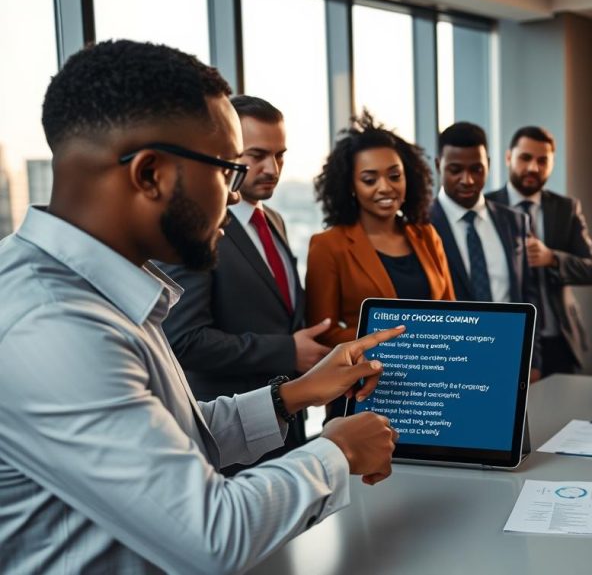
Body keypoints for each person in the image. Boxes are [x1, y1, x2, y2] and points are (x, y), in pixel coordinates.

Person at [0, 40, 401, 574]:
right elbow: (214, 536)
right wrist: (338, 451)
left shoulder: (94, 289)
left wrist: (297, 393)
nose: (236, 195)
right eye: (227, 171)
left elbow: (175, 432)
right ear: (151, 174)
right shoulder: (51, 324)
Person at [160, 96, 329, 462]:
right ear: (228, 151)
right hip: (228, 439)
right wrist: (287, 351)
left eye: (280, 155)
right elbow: (184, 339)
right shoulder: (199, 227)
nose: (272, 168)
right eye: (257, 155)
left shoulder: (275, 222)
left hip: (288, 424)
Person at [306, 112, 455, 416]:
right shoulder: (328, 245)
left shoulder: (426, 235)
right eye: (369, 179)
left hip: (432, 391)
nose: (385, 188)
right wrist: (399, 344)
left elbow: (451, 310)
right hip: (363, 393)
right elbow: (323, 333)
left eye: (394, 175)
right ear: (351, 186)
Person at [429, 121, 542, 381]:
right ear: (438, 165)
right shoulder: (420, 227)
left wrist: (533, 359)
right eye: (455, 170)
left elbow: (529, 294)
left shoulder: (515, 221)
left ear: (488, 164)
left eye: (476, 169)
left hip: (511, 358)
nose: (467, 180)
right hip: (450, 366)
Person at [486, 126, 592, 376]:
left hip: (559, 338)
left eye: (542, 160)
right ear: (508, 157)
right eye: (525, 158)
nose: (533, 168)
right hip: (506, 339)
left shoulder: (566, 208)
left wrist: (553, 259)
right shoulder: (486, 208)